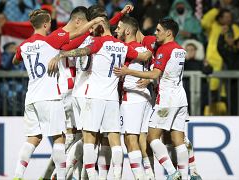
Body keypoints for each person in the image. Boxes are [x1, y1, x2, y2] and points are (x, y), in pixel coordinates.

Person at [47, 16, 151, 180]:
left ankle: (92, 176)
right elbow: (145, 57)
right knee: (115, 141)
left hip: (95, 97)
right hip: (112, 100)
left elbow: (82, 51)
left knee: (89, 139)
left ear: (100, 27)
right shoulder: (122, 46)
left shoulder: (99, 42)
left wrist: (62, 55)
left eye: (95, 27)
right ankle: (116, 176)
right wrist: (155, 46)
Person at [12, 9, 104, 180]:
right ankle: (60, 177)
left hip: (31, 97)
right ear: (46, 24)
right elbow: (77, 32)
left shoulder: (23, 46)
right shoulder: (50, 41)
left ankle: (18, 175)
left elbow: (15, 60)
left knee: (32, 138)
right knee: (59, 138)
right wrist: (93, 23)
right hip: (49, 96)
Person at [114, 18, 188, 180]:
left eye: (159, 30)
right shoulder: (180, 50)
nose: (155, 34)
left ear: (169, 33)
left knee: (150, 137)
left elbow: (155, 73)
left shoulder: (162, 49)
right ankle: (186, 175)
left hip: (163, 99)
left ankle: (171, 172)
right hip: (180, 98)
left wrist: (128, 71)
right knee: (178, 139)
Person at [115, 16, 154, 180]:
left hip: (131, 96)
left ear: (128, 31)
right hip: (146, 98)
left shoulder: (124, 49)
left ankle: (140, 177)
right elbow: (152, 69)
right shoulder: (143, 49)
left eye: (119, 28)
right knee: (143, 140)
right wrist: (150, 79)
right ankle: (150, 176)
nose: (116, 31)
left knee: (130, 140)